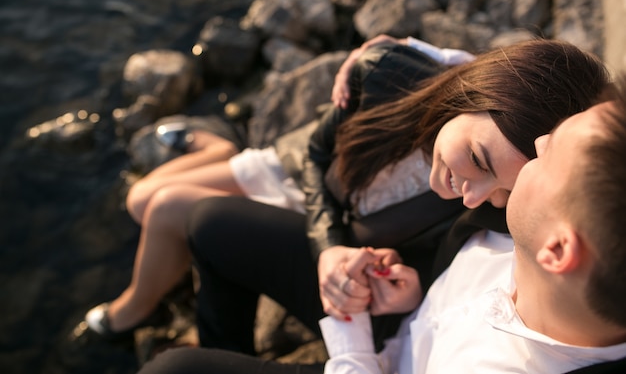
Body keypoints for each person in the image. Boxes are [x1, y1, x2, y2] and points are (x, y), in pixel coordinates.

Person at [135, 75, 626, 374]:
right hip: (398, 319)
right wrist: (412, 295)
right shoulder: (519, 237)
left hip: (365, 359)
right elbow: (505, 96)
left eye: (552, 152)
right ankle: (230, 349)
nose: (539, 144)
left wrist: (350, 333)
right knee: (214, 223)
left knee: (174, 370)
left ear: (558, 252)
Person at [78, 37, 476, 340]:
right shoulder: (450, 88)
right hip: (306, 169)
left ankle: (136, 308)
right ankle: (223, 150)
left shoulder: (484, 194)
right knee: (140, 199)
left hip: (325, 225)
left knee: (165, 208)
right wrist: (377, 53)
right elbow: (320, 149)